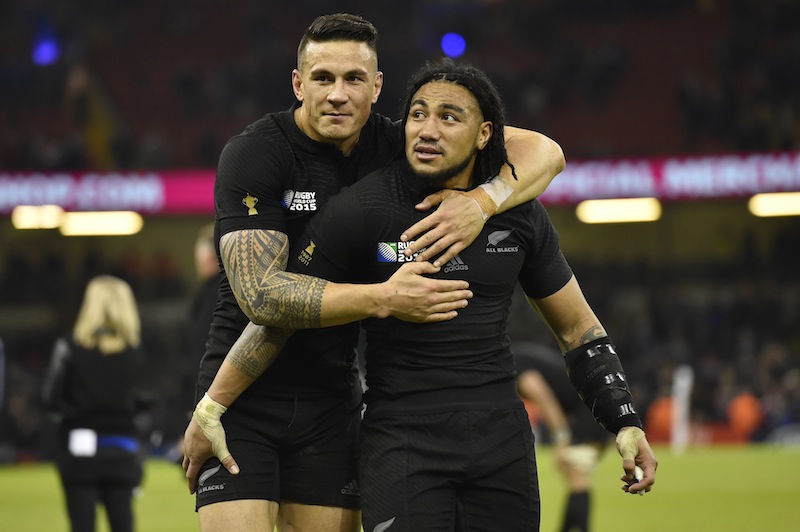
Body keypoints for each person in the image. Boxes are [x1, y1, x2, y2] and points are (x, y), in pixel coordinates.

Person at [208, 58, 658, 530]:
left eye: (449, 117)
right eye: (418, 114)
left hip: (500, 437)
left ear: (486, 134)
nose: (427, 129)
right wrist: (214, 404)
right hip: (401, 438)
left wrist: (624, 420)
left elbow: (578, 327)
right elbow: (283, 308)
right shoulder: (362, 209)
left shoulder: (518, 215)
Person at [182, 13, 566, 532]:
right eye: (322, 78)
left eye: (353, 79)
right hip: (243, 394)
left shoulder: (399, 143)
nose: (338, 94)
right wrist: (383, 298)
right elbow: (263, 298)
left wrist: (482, 201)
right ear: (298, 84)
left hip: (332, 399)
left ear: (377, 87)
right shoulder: (255, 154)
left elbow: (546, 151)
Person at [42, 276, 151, 532]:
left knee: (82, 525)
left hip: (79, 451)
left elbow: (50, 398)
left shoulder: (68, 347)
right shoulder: (135, 352)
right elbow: (147, 400)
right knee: (122, 522)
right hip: (122, 449)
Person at [514, 341, 611, 532]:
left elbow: (543, 396)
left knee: (577, 476)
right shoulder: (521, 354)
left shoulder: (512, 363)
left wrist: (562, 439)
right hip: (595, 405)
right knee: (575, 476)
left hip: (590, 411)